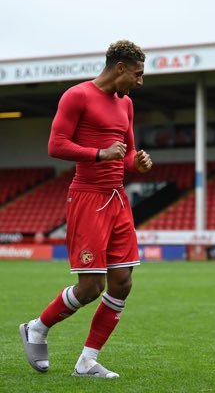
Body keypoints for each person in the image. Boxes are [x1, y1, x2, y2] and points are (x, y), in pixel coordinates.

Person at [19, 40, 152, 378]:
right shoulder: (77, 96)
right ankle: (37, 327)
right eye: (137, 74)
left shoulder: (127, 105)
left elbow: (126, 153)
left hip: (118, 198)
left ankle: (87, 361)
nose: (140, 81)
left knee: (122, 282)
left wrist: (137, 162)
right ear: (119, 68)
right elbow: (55, 145)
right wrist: (98, 154)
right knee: (91, 287)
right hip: (88, 197)